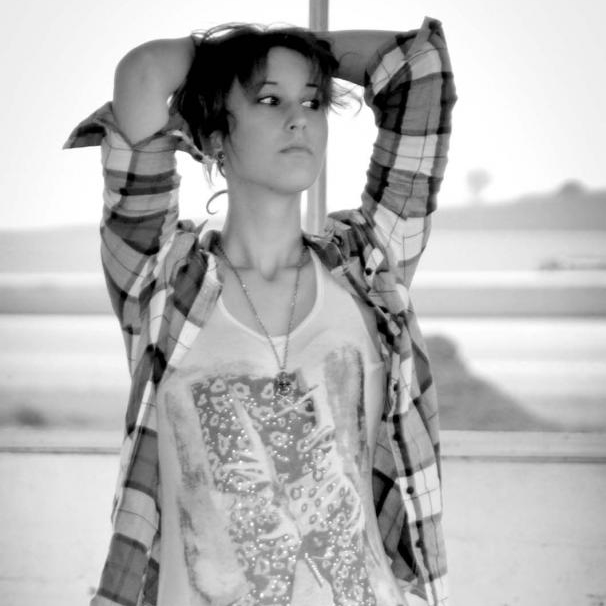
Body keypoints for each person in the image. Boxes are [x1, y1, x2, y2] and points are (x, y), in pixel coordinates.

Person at [65, 15, 455, 606]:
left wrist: (292, 49)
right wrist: (236, 55)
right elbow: (143, 72)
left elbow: (418, 71)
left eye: (313, 101)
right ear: (215, 137)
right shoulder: (163, 279)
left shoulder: (370, 267)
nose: (299, 118)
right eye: (269, 100)